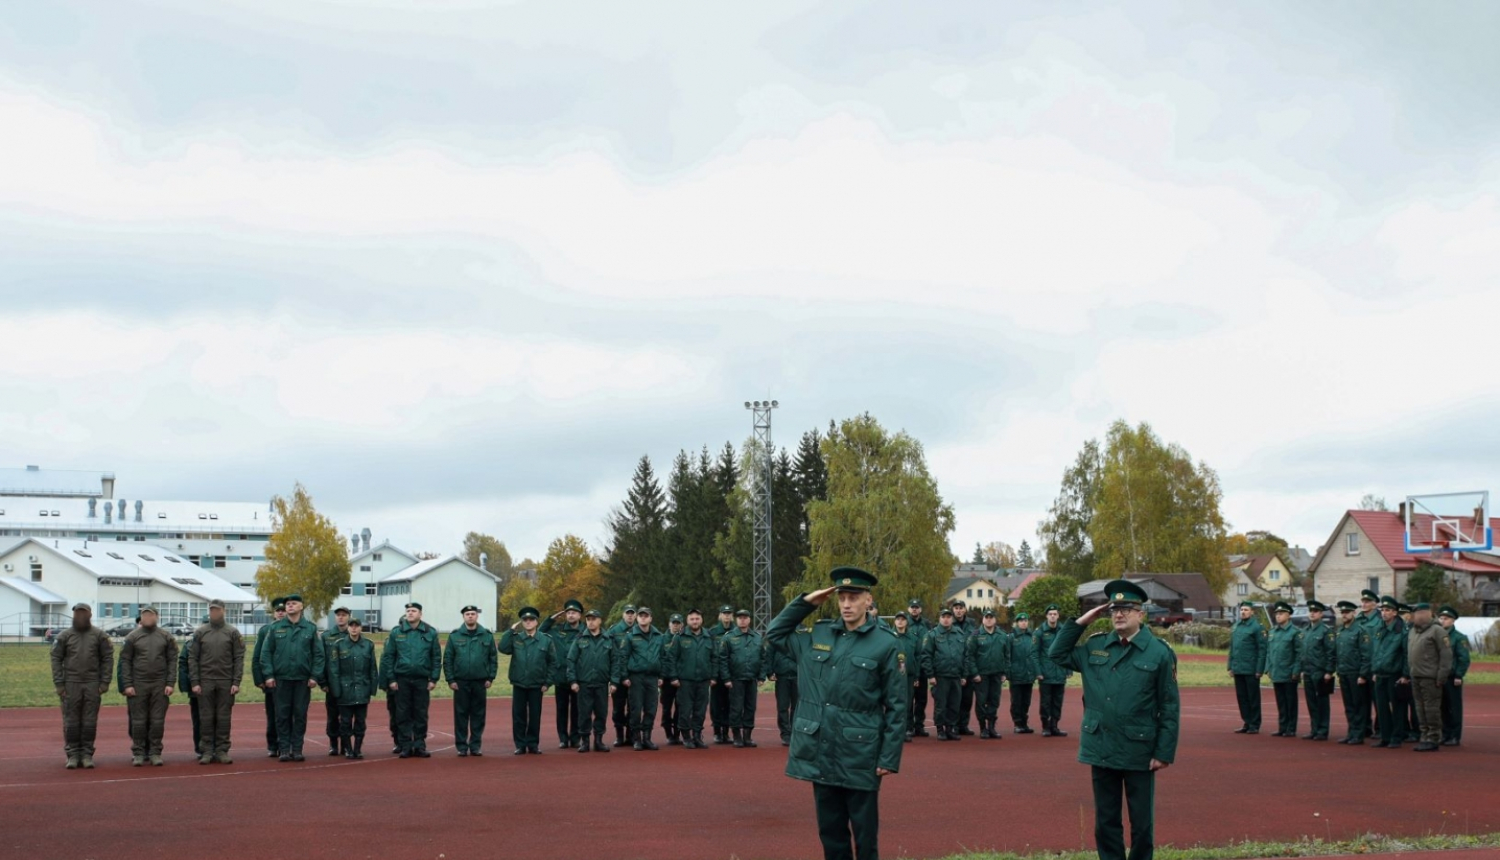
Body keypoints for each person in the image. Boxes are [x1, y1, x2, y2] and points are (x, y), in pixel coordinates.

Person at [765, 566, 904, 860]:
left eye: (854, 597)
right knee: (830, 833)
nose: (846, 604)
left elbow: (897, 706)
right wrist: (807, 602)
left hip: (861, 753)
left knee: (865, 836)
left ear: (868, 600)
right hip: (821, 750)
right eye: (842, 598)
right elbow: (774, 633)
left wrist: (889, 757)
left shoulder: (886, 643)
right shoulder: (819, 633)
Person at [1048, 579, 1179, 860]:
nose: (1119, 614)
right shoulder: (1096, 646)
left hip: (1138, 749)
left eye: (1126, 609)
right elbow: (1056, 653)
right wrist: (1082, 621)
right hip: (1102, 745)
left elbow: (1169, 705)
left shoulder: (1159, 652)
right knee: (1106, 821)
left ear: (1140, 614)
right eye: (1114, 610)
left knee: (1142, 824)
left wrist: (1164, 752)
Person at [261, 594, 325, 762]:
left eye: (294, 603)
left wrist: (315, 676)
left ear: (301, 607)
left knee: (300, 715)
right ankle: (283, 749)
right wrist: (268, 675)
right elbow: (266, 653)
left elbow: (319, 655)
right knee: (282, 715)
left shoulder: (310, 628)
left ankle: (297, 749)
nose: (289, 606)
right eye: (288, 604)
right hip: (281, 679)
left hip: (302, 679)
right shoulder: (275, 628)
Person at [51, 603, 113, 770]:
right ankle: (72, 755)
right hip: (71, 684)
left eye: (83, 613)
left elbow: (107, 659)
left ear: (90, 615)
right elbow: (56, 659)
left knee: (89, 722)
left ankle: (86, 754)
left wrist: (104, 683)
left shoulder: (100, 636)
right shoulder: (64, 636)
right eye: (77, 613)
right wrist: (59, 683)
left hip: (92, 684)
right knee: (71, 722)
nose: (80, 616)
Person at [381, 601, 442, 758]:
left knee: (421, 713)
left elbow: (436, 657)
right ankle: (406, 745)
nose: (410, 613)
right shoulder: (397, 632)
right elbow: (389, 657)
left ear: (420, 614)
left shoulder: (430, 632)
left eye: (414, 611)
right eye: (408, 611)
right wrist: (391, 679)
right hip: (402, 679)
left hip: (422, 679)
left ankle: (420, 745)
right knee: (403, 714)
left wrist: (433, 678)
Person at [188, 599, 245, 764]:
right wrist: (195, 682)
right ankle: (206, 750)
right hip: (205, 681)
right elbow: (193, 658)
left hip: (225, 681)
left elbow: (238, 658)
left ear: (224, 611)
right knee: (205, 718)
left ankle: (222, 750)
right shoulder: (200, 632)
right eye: (211, 610)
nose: (214, 612)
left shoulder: (232, 632)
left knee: (223, 718)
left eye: (217, 610)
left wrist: (236, 682)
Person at [120, 606, 178, 767]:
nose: (147, 618)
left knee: (157, 721)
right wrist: (128, 684)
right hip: (138, 685)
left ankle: (155, 752)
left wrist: (170, 683)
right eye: (144, 615)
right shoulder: (132, 637)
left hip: (159, 684)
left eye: (150, 615)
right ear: (141, 618)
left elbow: (172, 660)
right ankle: (139, 753)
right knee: (138, 722)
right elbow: (125, 662)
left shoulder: (166, 637)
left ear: (157, 617)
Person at [443, 605, 498, 757]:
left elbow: (493, 658)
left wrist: (490, 677)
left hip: (480, 682)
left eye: (473, 614)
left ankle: (475, 745)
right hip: (460, 682)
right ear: (463, 617)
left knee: (478, 715)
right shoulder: (454, 636)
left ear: (477, 616)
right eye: (467, 614)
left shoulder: (486, 635)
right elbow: (448, 659)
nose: (470, 616)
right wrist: (450, 679)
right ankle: (461, 746)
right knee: (461, 715)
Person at [499, 606, 554, 755]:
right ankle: (520, 744)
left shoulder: (545, 640)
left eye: (531, 619)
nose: (528, 622)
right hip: (519, 683)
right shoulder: (516, 638)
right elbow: (503, 648)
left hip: (537, 684)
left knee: (535, 716)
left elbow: (553, 662)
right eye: (525, 620)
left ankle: (533, 744)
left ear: (536, 622)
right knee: (518, 716)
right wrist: (510, 631)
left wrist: (547, 682)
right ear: (522, 622)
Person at [615, 607, 667, 750]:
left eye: (646, 616)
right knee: (636, 709)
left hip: (652, 677)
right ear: (637, 618)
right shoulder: (630, 636)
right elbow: (623, 657)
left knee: (651, 708)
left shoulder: (659, 636)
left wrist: (662, 675)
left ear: (651, 618)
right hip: (636, 677)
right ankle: (636, 738)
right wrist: (624, 676)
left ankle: (647, 738)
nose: (643, 618)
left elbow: (663, 657)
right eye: (641, 616)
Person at [663, 608, 714, 749]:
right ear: (687, 621)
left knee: (700, 710)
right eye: (692, 619)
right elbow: (672, 658)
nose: (695, 621)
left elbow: (714, 658)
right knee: (685, 710)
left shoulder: (709, 637)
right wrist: (674, 677)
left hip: (703, 680)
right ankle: (686, 736)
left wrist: (713, 676)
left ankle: (697, 736)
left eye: (697, 619)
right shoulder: (679, 637)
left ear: (701, 620)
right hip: (685, 680)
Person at [328, 617, 378, 759]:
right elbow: (334, 670)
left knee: (360, 722)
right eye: (351, 626)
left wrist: (372, 689)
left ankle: (357, 749)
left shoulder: (368, 645)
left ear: (361, 628)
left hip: (362, 690)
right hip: (345, 690)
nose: (354, 628)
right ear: (348, 628)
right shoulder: (339, 644)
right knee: (345, 722)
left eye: (357, 625)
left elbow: (373, 668)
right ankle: (348, 749)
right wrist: (336, 690)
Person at [567, 609, 615, 752]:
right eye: (588, 619)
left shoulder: (608, 639)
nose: (591, 622)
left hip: (601, 683)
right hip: (584, 683)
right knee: (584, 713)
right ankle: (585, 741)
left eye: (594, 619)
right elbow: (571, 660)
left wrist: (614, 681)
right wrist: (573, 681)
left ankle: (599, 741)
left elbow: (615, 662)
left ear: (600, 620)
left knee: (601, 713)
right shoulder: (580, 639)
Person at [1406, 603, 1452, 752]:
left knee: (1431, 709)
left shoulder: (1437, 631)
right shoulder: (1413, 631)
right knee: (1420, 708)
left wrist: (1441, 677)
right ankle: (1424, 735)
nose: (1415, 616)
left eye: (1418, 613)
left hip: (1430, 677)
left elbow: (1446, 656)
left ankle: (1433, 737)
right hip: (1416, 675)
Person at [540, 599, 585, 749]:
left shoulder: (585, 630)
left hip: (578, 676)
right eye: (568, 613)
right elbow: (540, 632)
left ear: (580, 615)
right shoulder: (557, 630)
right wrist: (551, 619)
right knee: (561, 710)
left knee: (577, 710)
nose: (571, 615)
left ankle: (575, 738)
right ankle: (563, 738)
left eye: (574, 613)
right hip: (560, 676)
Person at [719, 608, 765, 748]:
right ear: (736, 619)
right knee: (736, 708)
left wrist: (761, 676)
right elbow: (723, 659)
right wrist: (726, 678)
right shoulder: (728, 637)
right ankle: (737, 736)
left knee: (750, 707)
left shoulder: (757, 637)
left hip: (751, 678)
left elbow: (763, 658)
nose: (742, 620)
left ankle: (747, 736)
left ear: (749, 620)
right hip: (736, 679)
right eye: (740, 618)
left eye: (745, 617)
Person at [920, 607, 968, 741]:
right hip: (940, 676)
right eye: (943, 617)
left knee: (954, 705)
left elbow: (965, 655)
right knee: (941, 705)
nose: (946, 619)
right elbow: (926, 656)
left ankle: (950, 729)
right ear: (939, 619)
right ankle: (940, 729)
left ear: (952, 619)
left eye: (948, 617)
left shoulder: (959, 634)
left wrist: (964, 675)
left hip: (956, 675)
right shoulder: (932, 634)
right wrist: (930, 675)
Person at [1368, 595, 1409, 749]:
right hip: (1380, 674)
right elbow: (1376, 651)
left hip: (1395, 674)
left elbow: (1406, 654)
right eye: (1383, 610)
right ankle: (1385, 737)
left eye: (1387, 610)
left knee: (1397, 708)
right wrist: (1374, 670)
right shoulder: (1379, 629)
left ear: (1395, 613)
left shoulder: (1401, 631)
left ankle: (1396, 737)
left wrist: (1405, 675)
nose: (1384, 613)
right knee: (1382, 708)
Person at [967, 608, 1010, 740]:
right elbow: (970, 656)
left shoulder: (1002, 635)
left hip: (996, 674)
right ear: (983, 619)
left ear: (995, 619)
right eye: (987, 617)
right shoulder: (975, 635)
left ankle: (991, 727)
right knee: (981, 702)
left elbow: (1007, 655)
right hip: (981, 675)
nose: (989, 620)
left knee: (994, 701)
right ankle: (983, 728)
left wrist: (1005, 672)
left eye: (991, 617)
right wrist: (975, 673)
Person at [1332, 601, 1371, 745]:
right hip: (1343, 672)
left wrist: (1363, 674)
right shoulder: (1340, 631)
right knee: (1348, 705)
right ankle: (1351, 732)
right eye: (1342, 612)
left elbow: (1366, 654)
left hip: (1355, 673)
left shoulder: (1360, 630)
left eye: (1347, 612)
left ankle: (1359, 734)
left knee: (1358, 705)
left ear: (1354, 613)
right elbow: (1338, 653)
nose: (1344, 615)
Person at [251, 598, 286, 757]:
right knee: (272, 715)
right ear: (273, 613)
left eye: (283, 610)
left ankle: (286, 744)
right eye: (278, 611)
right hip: (271, 680)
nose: (281, 613)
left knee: (287, 715)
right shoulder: (265, 630)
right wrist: (259, 679)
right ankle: (273, 745)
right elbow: (257, 656)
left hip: (287, 679)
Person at [1226, 600, 1267, 734]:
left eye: (1246, 610)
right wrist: (1230, 666)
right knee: (1242, 697)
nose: (1243, 612)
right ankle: (1247, 722)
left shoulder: (1257, 627)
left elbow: (1262, 649)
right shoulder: (1236, 626)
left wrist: (1259, 669)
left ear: (1252, 612)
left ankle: (1255, 724)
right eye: (1242, 610)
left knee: (1253, 697)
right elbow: (1232, 648)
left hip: (1251, 668)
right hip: (1238, 668)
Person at [1264, 601, 1302, 738]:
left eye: (1281, 613)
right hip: (1277, 671)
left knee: (1290, 702)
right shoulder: (1273, 632)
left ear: (1288, 615)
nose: (1278, 616)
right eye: (1277, 614)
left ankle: (1291, 728)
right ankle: (1282, 727)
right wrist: (1268, 668)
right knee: (1280, 702)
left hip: (1289, 672)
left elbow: (1299, 654)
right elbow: (1269, 652)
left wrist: (1296, 671)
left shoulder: (1295, 632)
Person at [1299, 601, 1336, 741]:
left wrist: (1329, 671)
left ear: (1321, 614)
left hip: (1320, 671)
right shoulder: (1306, 630)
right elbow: (1303, 652)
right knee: (1311, 702)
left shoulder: (1326, 631)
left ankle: (1322, 730)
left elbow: (1331, 652)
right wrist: (1302, 669)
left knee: (1322, 702)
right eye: (1311, 611)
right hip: (1308, 671)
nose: (1312, 613)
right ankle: (1314, 729)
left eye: (1315, 611)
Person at [1036, 604, 1073, 737]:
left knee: (1058, 702)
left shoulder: (1064, 631)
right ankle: (1045, 726)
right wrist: (1038, 672)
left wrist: (1069, 670)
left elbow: (1068, 650)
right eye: (1050, 614)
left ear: (1058, 616)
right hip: (1045, 674)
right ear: (1046, 616)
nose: (1052, 616)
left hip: (1060, 672)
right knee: (1045, 702)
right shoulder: (1040, 632)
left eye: (1055, 614)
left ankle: (1055, 726)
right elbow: (1034, 653)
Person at [320, 607, 350, 756]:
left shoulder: (353, 634)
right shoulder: (326, 636)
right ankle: (333, 744)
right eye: (338, 615)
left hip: (349, 683)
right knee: (332, 715)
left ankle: (345, 744)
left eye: (344, 615)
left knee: (347, 716)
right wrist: (323, 682)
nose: (341, 617)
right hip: (332, 682)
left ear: (349, 617)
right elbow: (321, 659)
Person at [607, 605, 638, 747]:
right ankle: (619, 735)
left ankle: (630, 735)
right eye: (627, 613)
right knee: (618, 708)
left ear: (636, 615)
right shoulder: (614, 630)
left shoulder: (640, 629)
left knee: (633, 707)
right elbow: (609, 652)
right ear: (623, 615)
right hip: (618, 675)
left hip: (634, 675)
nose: (630, 615)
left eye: (632, 613)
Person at [1438, 606, 1468, 746]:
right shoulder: (1437, 635)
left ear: (1453, 620)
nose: (1442, 621)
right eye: (1441, 618)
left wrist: (1459, 675)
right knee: (1442, 707)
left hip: (1452, 677)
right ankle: (1445, 733)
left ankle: (1455, 736)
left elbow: (1463, 658)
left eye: (1446, 618)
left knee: (1454, 707)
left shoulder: (1459, 637)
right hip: (1440, 676)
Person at [887, 611, 919, 742]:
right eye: (898, 619)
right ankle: (892, 731)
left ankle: (905, 730)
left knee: (907, 704)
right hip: (893, 676)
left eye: (903, 619)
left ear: (907, 622)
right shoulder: (889, 637)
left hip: (908, 676)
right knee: (892, 704)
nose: (900, 621)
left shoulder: (913, 638)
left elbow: (918, 657)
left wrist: (917, 676)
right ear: (894, 621)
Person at [1355, 589, 1382, 738]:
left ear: (1374, 604)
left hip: (1373, 666)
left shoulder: (1379, 620)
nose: (1364, 604)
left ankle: (1380, 729)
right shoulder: (1358, 619)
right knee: (1362, 701)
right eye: (1363, 601)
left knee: (1378, 701)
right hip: (1359, 666)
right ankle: (1365, 728)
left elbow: (1377, 646)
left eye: (1367, 602)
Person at [949, 600, 978, 735]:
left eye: (961, 608)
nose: (958, 610)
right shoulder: (949, 623)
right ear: (953, 610)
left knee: (967, 699)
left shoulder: (972, 624)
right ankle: (953, 725)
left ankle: (963, 725)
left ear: (965, 610)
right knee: (954, 699)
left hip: (969, 666)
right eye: (956, 608)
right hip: (955, 666)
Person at [708, 604, 736, 744]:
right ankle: (717, 731)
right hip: (717, 674)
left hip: (732, 674)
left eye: (729, 613)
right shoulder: (712, 632)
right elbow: (710, 653)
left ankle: (726, 731)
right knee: (716, 704)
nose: (727, 616)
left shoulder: (736, 631)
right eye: (724, 613)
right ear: (720, 615)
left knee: (730, 703)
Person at [1007, 612, 1038, 734]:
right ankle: (1017, 723)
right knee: (1016, 701)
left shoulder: (1032, 637)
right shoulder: (1011, 637)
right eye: (1021, 621)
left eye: (1025, 621)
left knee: (1026, 701)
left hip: (1028, 674)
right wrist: (1009, 671)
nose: (1023, 623)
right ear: (1017, 623)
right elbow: (1007, 655)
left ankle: (1024, 723)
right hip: (1016, 674)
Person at [905, 599, 932, 737]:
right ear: (909, 609)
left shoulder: (926, 624)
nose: (914, 609)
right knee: (909, 699)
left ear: (920, 609)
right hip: (909, 668)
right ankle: (908, 726)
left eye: (917, 607)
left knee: (921, 699)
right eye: (912, 607)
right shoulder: (904, 622)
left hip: (922, 667)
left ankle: (919, 726)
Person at [661, 613, 685, 744]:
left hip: (681, 679)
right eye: (673, 623)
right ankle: (668, 733)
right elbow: (661, 659)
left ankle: (677, 733)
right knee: (666, 707)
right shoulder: (662, 639)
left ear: (682, 625)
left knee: (680, 707)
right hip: (667, 680)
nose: (676, 626)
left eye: (678, 623)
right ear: (669, 624)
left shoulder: (684, 638)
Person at [177, 622, 201, 756]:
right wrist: (186, 686)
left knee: (215, 719)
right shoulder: (189, 645)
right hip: (195, 690)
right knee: (198, 720)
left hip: (212, 687)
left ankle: (213, 747)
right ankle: (200, 748)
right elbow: (183, 666)